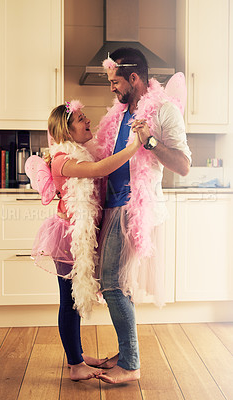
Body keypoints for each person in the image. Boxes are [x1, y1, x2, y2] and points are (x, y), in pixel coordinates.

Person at [25, 99, 148, 381]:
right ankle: (75, 366)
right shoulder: (62, 160)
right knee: (68, 302)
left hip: (79, 234)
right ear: (67, 131)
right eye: (81, 118)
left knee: (74, 300)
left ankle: (77, 357)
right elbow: (100, 171)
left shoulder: (79, 154)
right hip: (68, 238)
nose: (87, 120)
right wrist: (134, 146)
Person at [94, 48, 192, 384]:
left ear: (134, 78)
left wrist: (149, 141)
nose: (112, 88)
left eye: (115, 81)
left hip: (136, 207)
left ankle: (131, 364)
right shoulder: (118, 114)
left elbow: (183, 165)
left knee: (112, 284)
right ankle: (124, 354)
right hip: (111, 207)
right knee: (120, 284)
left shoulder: (164, 111)